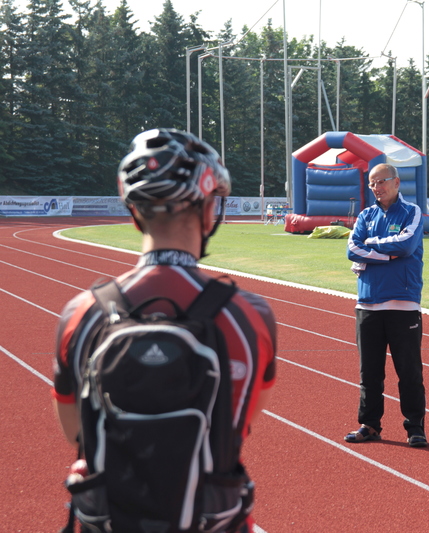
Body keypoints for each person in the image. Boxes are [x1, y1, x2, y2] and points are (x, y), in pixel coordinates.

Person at [51, 128, 277, 532]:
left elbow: (76, 433)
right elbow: (238, 426)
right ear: (208, 210)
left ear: (134, 212)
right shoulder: (250, 315)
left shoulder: (80, 314)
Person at [345, 163, 427, 447]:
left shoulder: (412, 212)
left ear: (396, 182)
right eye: (372, 183)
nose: (376, 188)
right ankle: (370, 425)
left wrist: (371, 247)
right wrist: (386, 255)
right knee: (369, 373)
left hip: (403, 304)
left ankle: (415, 428)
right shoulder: (365, 215)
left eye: (381, 181)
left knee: (409, 372)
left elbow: (405, 246)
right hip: (367, 304)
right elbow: (352, 249)